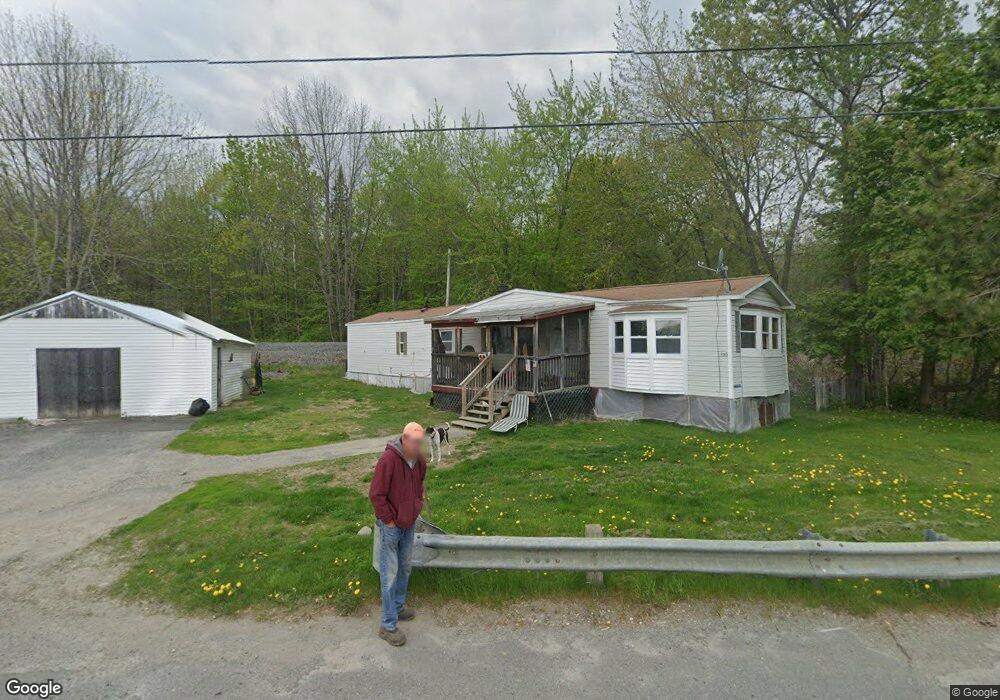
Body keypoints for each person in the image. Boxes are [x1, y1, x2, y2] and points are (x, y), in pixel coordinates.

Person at [369, 421, 427, 646]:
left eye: (420, 442)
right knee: (390, 573)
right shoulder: (389, 460)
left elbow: (420, 485)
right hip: (391, 527)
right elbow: (376, 494)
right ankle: (387, 625)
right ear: (404, 440)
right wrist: (389, 521)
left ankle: (399, 606)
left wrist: (416, 507)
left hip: (408, 523)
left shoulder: (420, 461)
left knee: (405, 567)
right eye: (414, 442)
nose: (417, 446)